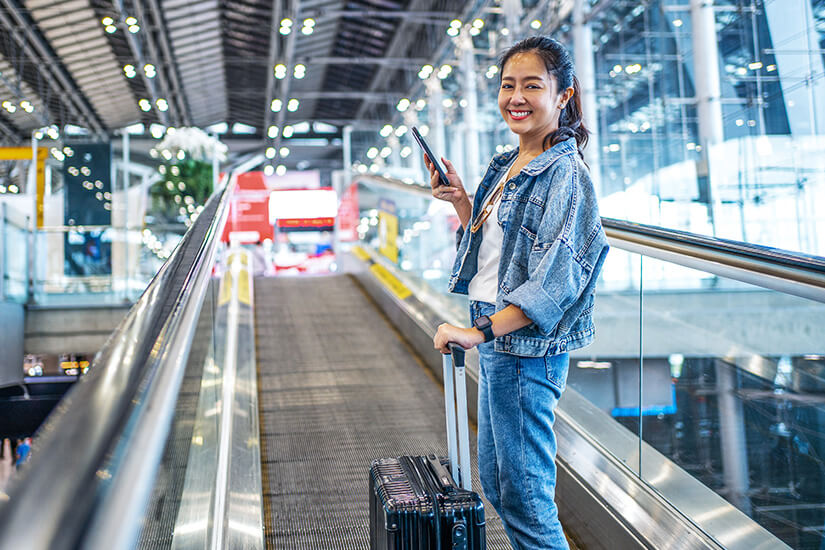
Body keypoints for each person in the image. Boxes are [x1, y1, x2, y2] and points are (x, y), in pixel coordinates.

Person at [427, 36, 609, 549]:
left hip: (525, 349)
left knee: (526, 497)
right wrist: (462, 201)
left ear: (564, 96)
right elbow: (494, 252)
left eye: (533, 85)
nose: (517, 97)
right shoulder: (508, 162)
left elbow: (553, 285)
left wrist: (476, 332)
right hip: (500, 339)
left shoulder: (565, 174)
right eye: (509, 85)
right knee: (504, 487)